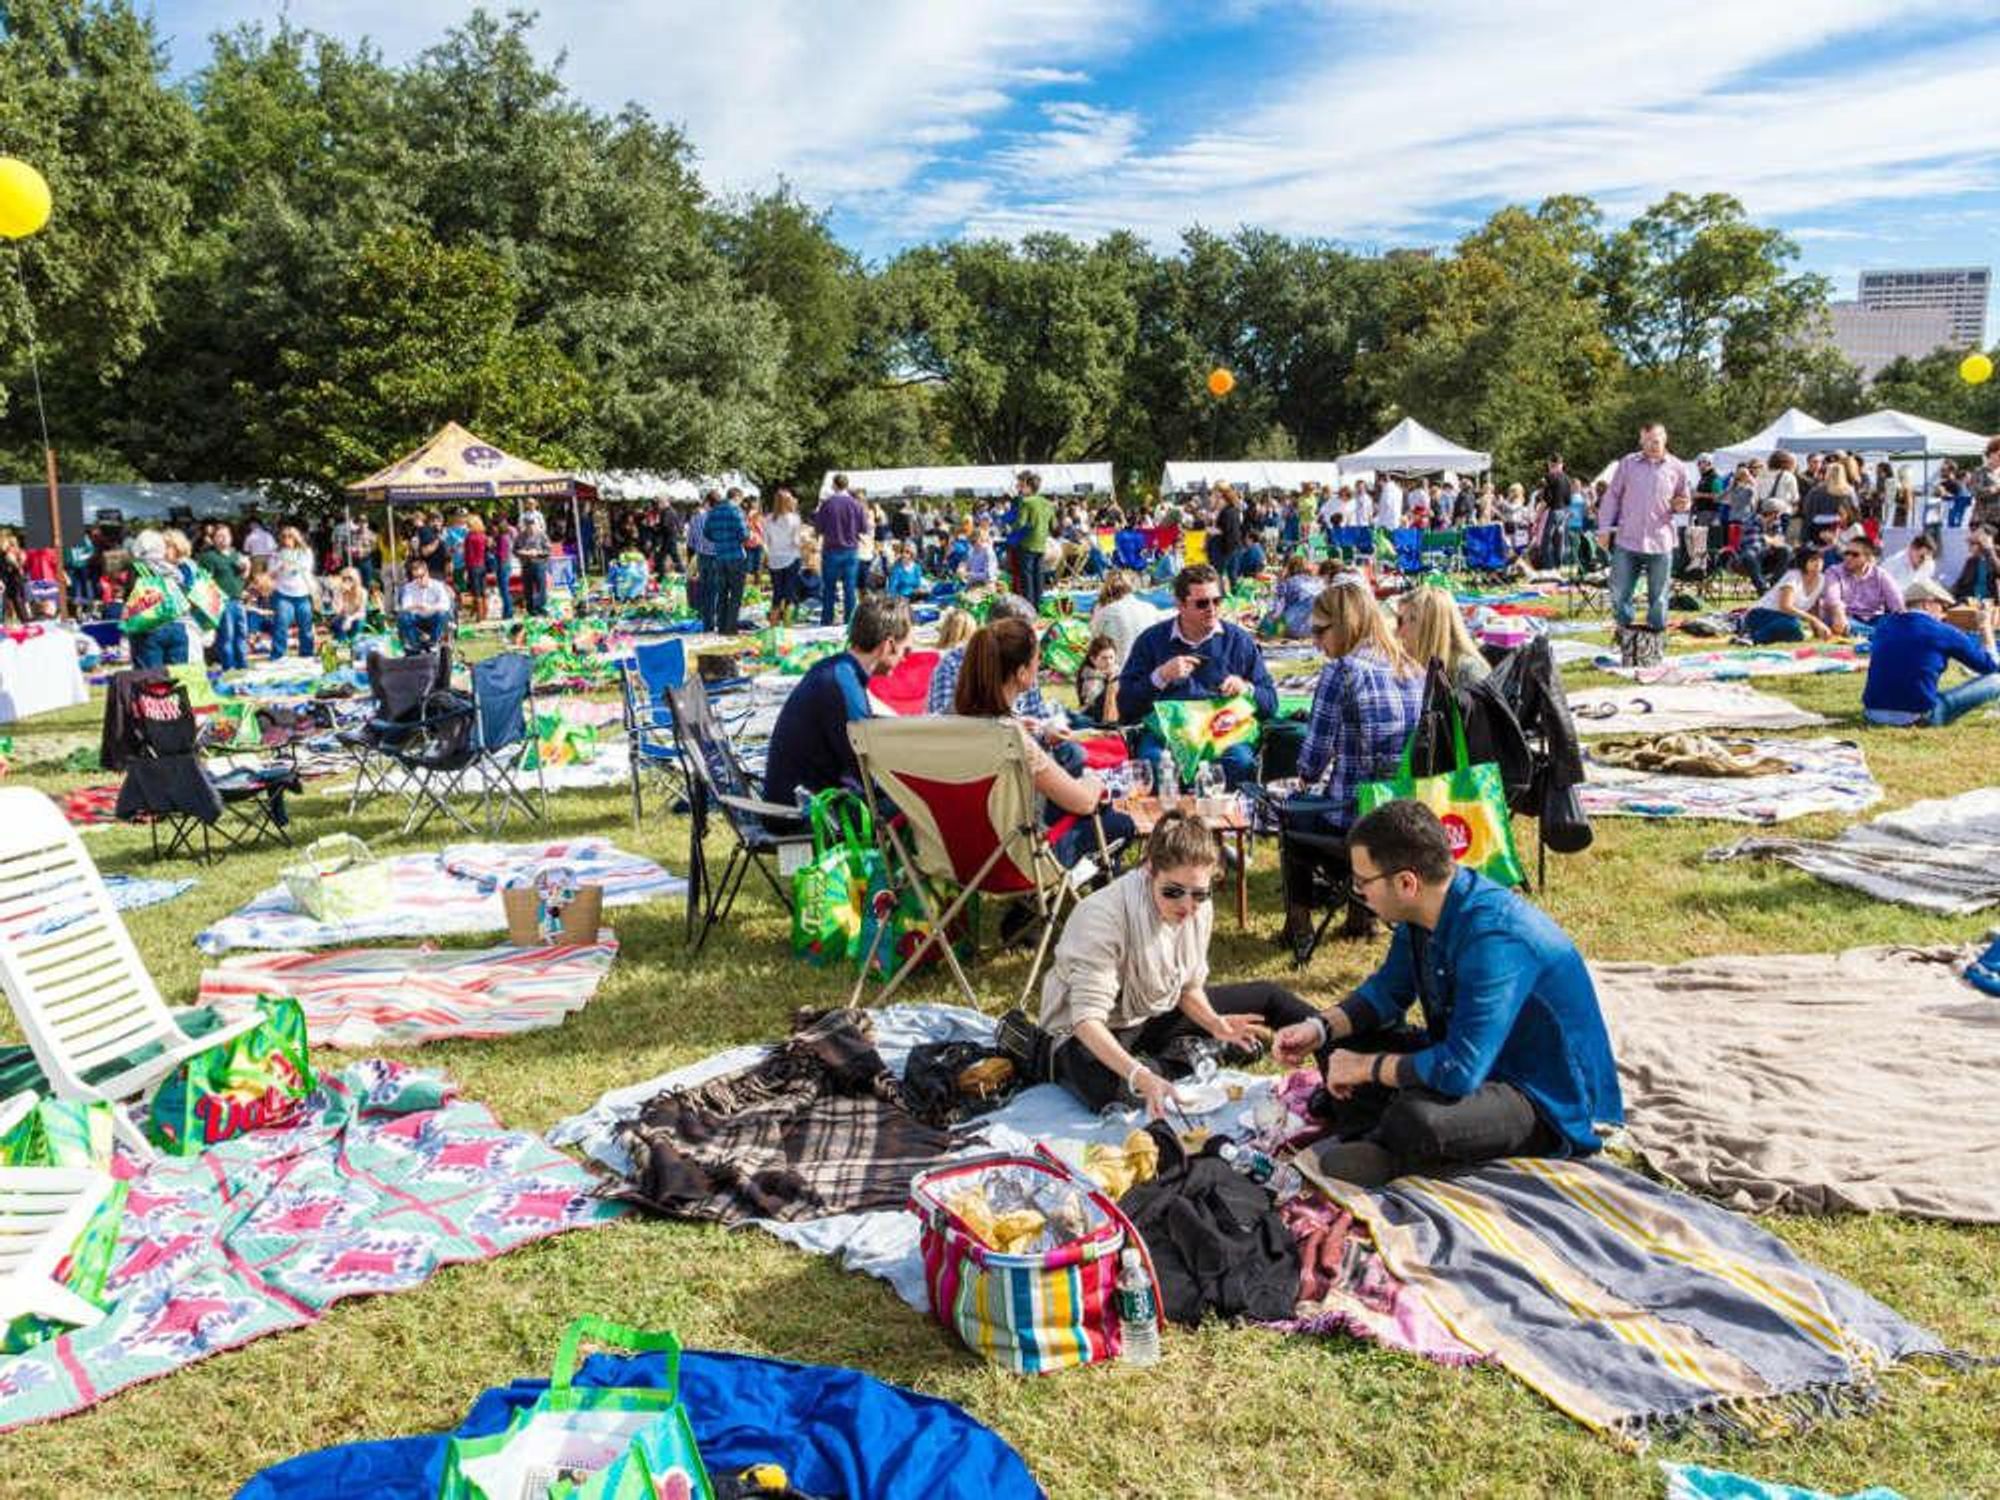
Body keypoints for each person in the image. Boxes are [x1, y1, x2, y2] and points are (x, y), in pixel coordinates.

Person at [1270, 799, 1622, 1186]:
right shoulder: (1422, 911)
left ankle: (1390, 1143)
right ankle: (1383, 1136)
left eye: (1361, 882)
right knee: (1340, 1043)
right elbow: (1388, 992)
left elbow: (1460, 1069)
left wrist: (1367, 1068)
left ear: (1406, 883)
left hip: (1540, 1095)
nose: (1358, 893)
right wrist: (1319, 1029)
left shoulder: (1496, 937)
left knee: (1418, 1118)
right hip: (1471, 1062)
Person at [1040, 813, 1324, 1116]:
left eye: (1199, 894)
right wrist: (1141, 1076)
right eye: (1173, 891)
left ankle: (1340, 1046)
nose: (1187, 906)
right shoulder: (1101, 915)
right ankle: (1187, 1058)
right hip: (1092, 1029)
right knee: (1116, 1094)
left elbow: (1188, 987)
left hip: (1151, 1011)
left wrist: (1216, 1024)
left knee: (1269, 995)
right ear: (1149, 869)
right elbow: (1086, 1020)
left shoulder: (1199, 909)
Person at [1275, 578, 1425, 958]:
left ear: (1344, 625)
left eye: (1319, 631)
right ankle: (1361, 916)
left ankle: (1299, 924)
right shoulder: (1414, 669)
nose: (1314, 641)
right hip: (1407, 820)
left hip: (1355, 823)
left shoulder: (1342, 671)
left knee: (1290, 812)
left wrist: (1304, 776)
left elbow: (1311, 763)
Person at [952, 618, 1131, 869]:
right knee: (1119, 822)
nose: (1040, 665)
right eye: (1037, 659)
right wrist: (1095, 781)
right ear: (1022, 673)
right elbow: (1083, 801)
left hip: (963, 853)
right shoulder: (1012, 738)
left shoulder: (952, 726)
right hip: (1021, 860)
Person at [1115, 564, 1278, 789]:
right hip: (1168, 734)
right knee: (1153, 764)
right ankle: (1169, 820)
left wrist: (1246, 688)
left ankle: (1226, 821)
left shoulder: (1239, 641)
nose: (1211, 609)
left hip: (1224, 733)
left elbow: (1271, 703)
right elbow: (1126, 705)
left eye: (1217, 601)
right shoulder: (1151, 641)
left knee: (1240, 762)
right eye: (1202, 603)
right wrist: (1161, 676)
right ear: (1180, 604)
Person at [763, 596, 915, 811]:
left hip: (794, 797)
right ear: (888, 645)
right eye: (905, 650)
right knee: (922, 806)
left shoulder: (836, 669)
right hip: (804, 812)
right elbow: (866, 769)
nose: (905, 659)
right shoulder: (843, 683)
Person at [1862, 579, 2000, 726]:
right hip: (1920, 717)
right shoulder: (1943, 631)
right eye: (1943, 606)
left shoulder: (1884, 626)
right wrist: (1985, 627)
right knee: (1996, 680)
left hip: (1872, 714)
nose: (1944, 613)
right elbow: (1990, 667)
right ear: (1927, 604)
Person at [1597, 421, 1690, 636]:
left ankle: (1656, 638)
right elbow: (1612, 497)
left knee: (1658, 597)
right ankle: (1624, 633)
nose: (1651, 445)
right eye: (1647, 441)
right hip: (1627, 540)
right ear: (1641, 441)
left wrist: (1683, 505)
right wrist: (1603, 529)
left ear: (1665, 440)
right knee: (1619, 592)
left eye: (1656, 441)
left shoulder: (1677, 467)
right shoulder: (1628, 463)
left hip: (1661, 541)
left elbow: (1684, 499)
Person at [1395, 583, 1489, 690]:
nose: (1398, 632)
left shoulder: (1468, 672)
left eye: (1400, 621)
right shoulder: (1421, 665)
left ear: (1425, 626)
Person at [124, 529, 190, 668]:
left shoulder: (138, 568)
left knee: (151, 679)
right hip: (178, 626)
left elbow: (130, 597)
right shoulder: (174, 570)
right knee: (178, 676)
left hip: (149, 628)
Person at [1741, 546, 1834, 644]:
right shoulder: (1793, 576)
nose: (1818, 563)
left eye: (1820, 559)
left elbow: (1814, 606)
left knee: (1797, 634)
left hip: (1785, 618)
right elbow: (1785, 606)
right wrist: (1815, 620)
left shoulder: (1822, 579)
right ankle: (1752, 638)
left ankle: (1759, 634)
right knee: (1792, 626)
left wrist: (1817, 630)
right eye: (1813, 560)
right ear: (1803, 562)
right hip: (1761, 614)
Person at [1819, 535, 1903, 634]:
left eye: (1855, 554)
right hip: (1847, 617)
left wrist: (1901, 620)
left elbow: (1896, 602)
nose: (1848, 557)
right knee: (1841, 623)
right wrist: (1840, 616)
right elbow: (1833, 599)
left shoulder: (1880, 575)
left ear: (1868, 557)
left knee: (1894, 622)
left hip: (1875, 619)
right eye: (1846, 553)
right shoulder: (1834, 571)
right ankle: (1879, 633)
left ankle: (1874, 633)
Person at [814, 475, 868, 626]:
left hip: (831, 550)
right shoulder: (856, 505)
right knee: (849, 588)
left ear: (834, 485)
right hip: (850, 550)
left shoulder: (827, 504)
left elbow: (818, 528)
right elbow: (864, 528)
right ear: (847, 485)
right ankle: (849, 621)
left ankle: (826, 620)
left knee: (829, 588)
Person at [196, 523, 250, 672]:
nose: (224, 538)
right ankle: (229, 666)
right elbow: (205, 580)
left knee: (242, 634)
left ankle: (242, 665)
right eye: (219, 536)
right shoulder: (208, 557)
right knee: (227, 635)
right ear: (212, 539)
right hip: (221, 601)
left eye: (227, 535)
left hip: (238, 599)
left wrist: (247, 569)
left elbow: (242, 577)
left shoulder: (236, 555)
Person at [1089, 569, 1165, 667]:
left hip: (1121, 671)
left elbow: (1094, 643)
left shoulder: (1107, 612)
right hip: (1150, 668)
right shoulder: (1150, 608)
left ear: (1108, 590)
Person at [703, 487, 749, 635]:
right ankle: (731, 627)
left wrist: (719, 540)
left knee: (722, 593)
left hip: (720, 556)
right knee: (736, 594)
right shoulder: (736, 511)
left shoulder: (713, 511)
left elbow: (707, 533)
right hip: (735, 556)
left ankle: (721, 626)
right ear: (737, 497)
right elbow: (743, 534)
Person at [269, 525, 317, 657]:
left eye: (290, 536)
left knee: (306, 625)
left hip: (302, 593)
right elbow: (270, 573)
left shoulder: (305, 552)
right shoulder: (275, 553)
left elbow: (306, 568)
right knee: (281, 625)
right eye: (283, 536)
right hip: (282, 594)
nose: (286, 539)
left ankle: (307, 653)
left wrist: (292, 565)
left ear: (296, 538)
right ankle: (278, 655)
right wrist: (280, 567)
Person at [396, 558, 455, 653]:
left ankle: (433, 642)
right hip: (416, 617)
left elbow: (446, 604)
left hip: (433, 616)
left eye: (421, 576)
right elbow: (405, 606)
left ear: (427, 573)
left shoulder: (437, 586)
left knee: (442, 614)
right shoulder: (409, 587)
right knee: (403, 617)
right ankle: (414, 644)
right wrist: (417, 606)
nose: (418, 580)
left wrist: (431, 607)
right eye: (415, 577)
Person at [1013, 471, 1054, 607]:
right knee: (1039, 576)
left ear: (1028, 485)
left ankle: (1030, 607)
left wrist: (1010, 527)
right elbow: (1054, 525)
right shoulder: (1048, 503)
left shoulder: (1026, 502)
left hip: (1027, 544)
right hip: (1042, 544)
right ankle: (1039, 605)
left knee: (1027, 578)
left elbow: (1021, 524)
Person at [764, 490, 804, 626]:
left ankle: (773, 625)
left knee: (777, 593)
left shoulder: (768, 519)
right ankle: (788, 626)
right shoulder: (794, 519)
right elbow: (796, 541)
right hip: (791, 557)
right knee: (790, 593)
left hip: (774, 559)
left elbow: (765, 541)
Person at [1262, 555, 1324, 639]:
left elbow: (1277, 608)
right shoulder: (1314, 582)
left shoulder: (1287, 583)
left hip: (1290, 627)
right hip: (1313, 628)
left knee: (1267, 621)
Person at [515, 503, 551, 616]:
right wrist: (522, 553)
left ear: (536, 523)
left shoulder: (542, 535)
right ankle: (531, 610)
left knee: (541, 588)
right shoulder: (520, 536)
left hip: (539, 564)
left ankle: (540, 607)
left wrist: (537, 553)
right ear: (525, 524)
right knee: (528, 589)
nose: (530, 526)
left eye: (532, 523)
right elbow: (515, 550)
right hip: (526, 565)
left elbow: (548, 550)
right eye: (528, 524)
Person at [1950, 526, 2000, 603]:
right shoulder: (1971, 561)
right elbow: (1960, 583)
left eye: (1973, 544)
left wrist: (1990, 550)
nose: (1969, 547)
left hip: (1990, 602)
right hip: (1971, 601)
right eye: (1969, 543)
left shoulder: (1995, 556)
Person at [1076, 634, 1118, 723]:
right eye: (1104, 658)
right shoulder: (1091, 682)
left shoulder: (1115, 673)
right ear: (1093, 659)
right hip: (1093, 722)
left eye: (1111, 657)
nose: (1109, 662)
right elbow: (1099, 711)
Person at [329, 567, 370, 643]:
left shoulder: (363, 592)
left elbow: (361, 612)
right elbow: (337, 611)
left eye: (350, 578)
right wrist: (340, 595)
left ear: (356, 579)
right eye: (344, 578)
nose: (347, 580)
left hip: (356, 618)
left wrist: (350, 619)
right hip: (342, 618)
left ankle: (352, 641)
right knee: (337, 623)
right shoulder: (339, 591)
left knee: (357, 623)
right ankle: (343, 644)